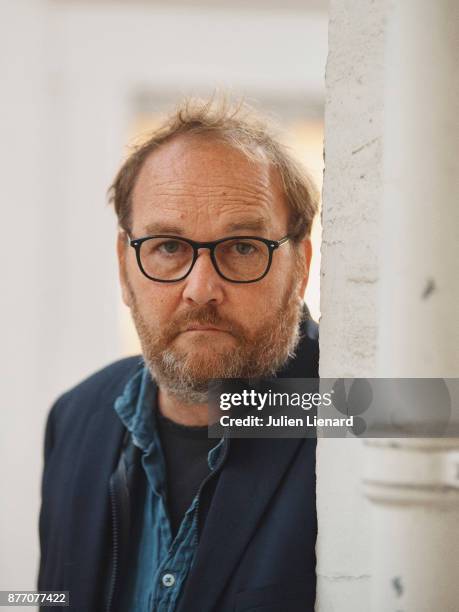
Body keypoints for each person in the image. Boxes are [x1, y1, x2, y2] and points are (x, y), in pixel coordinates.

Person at [38, 98, 320, 612]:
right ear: (126, 268)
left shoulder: (360, 415)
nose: (201, 289)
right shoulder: (75, 416)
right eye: (168, 247)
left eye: (242, 246)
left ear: (300, 267)